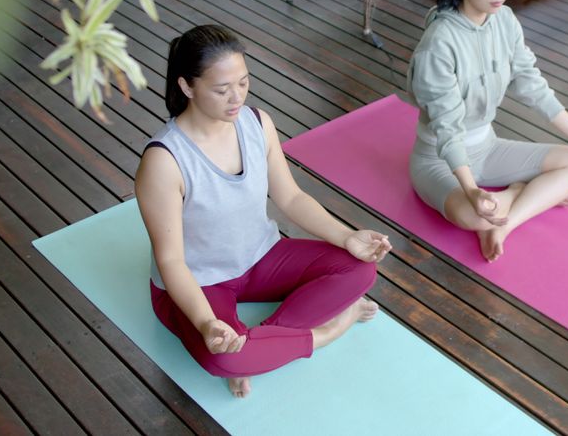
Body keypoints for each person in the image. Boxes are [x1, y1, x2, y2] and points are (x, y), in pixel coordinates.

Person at [136, 24, 392, 398]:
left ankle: (261, 345)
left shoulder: (257, 123)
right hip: (201, 282)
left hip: (261, 257)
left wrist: (348, 236)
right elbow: (172, 262)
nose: (236, 97)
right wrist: (208, 324)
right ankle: (325, 331)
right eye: (222, 89)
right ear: (187, 87)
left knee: (360, 268)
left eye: (243, 82)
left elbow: (290, 198)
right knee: (222, 358)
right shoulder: (165, 161)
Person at [407, 0, 568, 263]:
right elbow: (447, 128)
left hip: (486, 148)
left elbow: (530, 82)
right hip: (439, 160)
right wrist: (472, 190)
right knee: (473, 215)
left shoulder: (504, 20)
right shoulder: (440, 43)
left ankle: (506, 224)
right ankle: (521, 191)